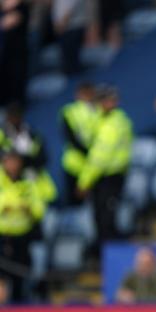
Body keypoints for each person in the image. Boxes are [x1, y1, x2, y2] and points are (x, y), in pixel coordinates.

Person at [78, 86, 133, 255]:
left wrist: (85, 181)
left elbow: (99, 158)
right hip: (107, 176)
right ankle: (104, 255)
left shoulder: (112, 124)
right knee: (101, 219)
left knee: (106, 220)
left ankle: (109, 257)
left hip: (109, 176)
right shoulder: (106, 121)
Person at [0, 150, 46, 303]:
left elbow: (39, 209)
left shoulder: (28, 182)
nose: (13, 165)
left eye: (16, 161)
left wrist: (28, 209)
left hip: (22, 238)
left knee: (20, 279)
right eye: (9, 161)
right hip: (2, 238)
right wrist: (8, 206)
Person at [60, 82, 99, 205]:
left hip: (96, 165)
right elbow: (69, 137)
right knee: (75, 201)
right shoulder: (69, 112)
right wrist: (89, 153)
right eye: (85, 93)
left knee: (96, 202)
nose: (88, 96)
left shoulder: (100, 110)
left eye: (90, 93)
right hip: (75, 164)